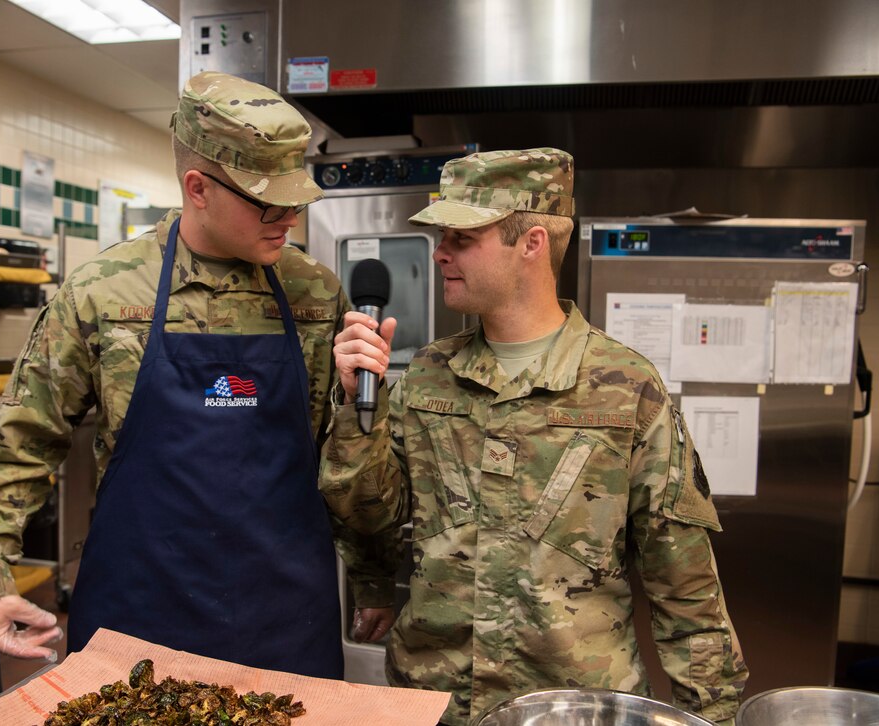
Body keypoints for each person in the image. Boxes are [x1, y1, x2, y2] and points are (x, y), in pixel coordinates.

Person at [0, 71, 398, 679]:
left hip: (285, 612)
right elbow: (21, 446)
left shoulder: (314, 294)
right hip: (140, 611)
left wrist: (373, 573)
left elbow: (333, 455)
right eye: (269, 199)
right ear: (198, 187)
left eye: (297, 198)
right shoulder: (102, 294)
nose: (289, 217)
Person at [320, 148, 749, 723]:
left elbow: (685, 582)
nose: (439, 252)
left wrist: (712, 715)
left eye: (461, 238)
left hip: (572, 708)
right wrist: (353, 408)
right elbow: (373, 517)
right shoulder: (425, 374)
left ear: (532, 244)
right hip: (435, 702)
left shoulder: (625, 387)